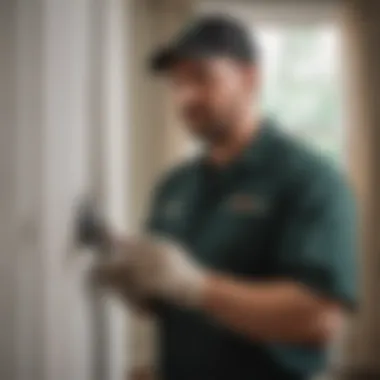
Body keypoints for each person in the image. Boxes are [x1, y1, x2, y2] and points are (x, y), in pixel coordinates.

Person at [96, 15, 357, 380]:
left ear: (250, 79)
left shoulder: (311, 180)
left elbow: (319, 318)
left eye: (201, 77)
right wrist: (134, 284)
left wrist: (197, 287)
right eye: (177, 82)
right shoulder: (174, 186)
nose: (185, 96)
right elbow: (162, 304)